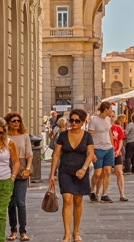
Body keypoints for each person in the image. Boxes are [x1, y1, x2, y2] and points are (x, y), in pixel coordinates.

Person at [48, 108, 93, 242]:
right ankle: (66, 234)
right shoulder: (63, 135)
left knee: (78, 202)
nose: (73, 123)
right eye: (71, 120)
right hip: (65, 170)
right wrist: (51, 174)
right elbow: (56, 154)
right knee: (67, 200)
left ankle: (76, 232)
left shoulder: (87, 136)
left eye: (77, 121)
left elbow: (90, 154)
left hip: (81, 171)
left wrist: (84, 169)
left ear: (83, 122)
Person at [5, 112, 33, 241]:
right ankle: (13, 231)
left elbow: (29, 154)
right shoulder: (4, 136)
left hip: (21, 169)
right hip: (6, 169)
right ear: (8, 123)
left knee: (20, 202)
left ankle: (23, 231)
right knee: (10, 202)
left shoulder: (24, 136)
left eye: (18, 121)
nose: (16, 123)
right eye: (13, 121)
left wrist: (27, 168)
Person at [87, 102, 115, 203]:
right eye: (110, 109)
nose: (112, 111)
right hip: (97, 149)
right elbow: (89, 137)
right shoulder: (94, 121)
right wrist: (91, 152)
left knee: (107, 171)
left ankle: (104, 194)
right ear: (106, 109)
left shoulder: (108, 119)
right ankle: (92, 190)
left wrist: (113, 147)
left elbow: (109, 133)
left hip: (108, 148)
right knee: (98, 173)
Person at [110, 115, 128, 202]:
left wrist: (118, 150)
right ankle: (97, 192)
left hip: (117, 153)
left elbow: (120, 140)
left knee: (119, 173)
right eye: (109, 117)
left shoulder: (118, 128)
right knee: (102, 174)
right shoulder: (104, 129)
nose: (111, 118)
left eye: (113, 116)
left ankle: (122, 194)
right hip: (106, 152)